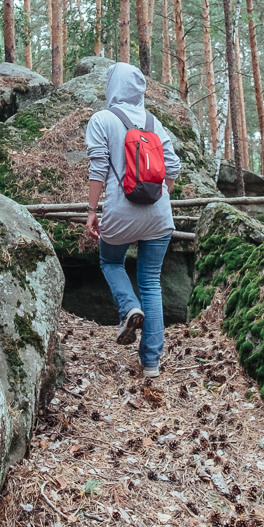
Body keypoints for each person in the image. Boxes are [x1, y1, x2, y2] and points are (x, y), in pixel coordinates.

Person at [84, 62, 182, 379]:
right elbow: (174, 167)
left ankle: (128, 309)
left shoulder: (102, 119)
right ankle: (151, 363)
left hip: (120, 212)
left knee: (111, 263)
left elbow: (98, 170)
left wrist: (91, 211)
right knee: (151, 282)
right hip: (159, 216)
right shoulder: (154, 122)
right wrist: (159, 196)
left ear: (114, 87)